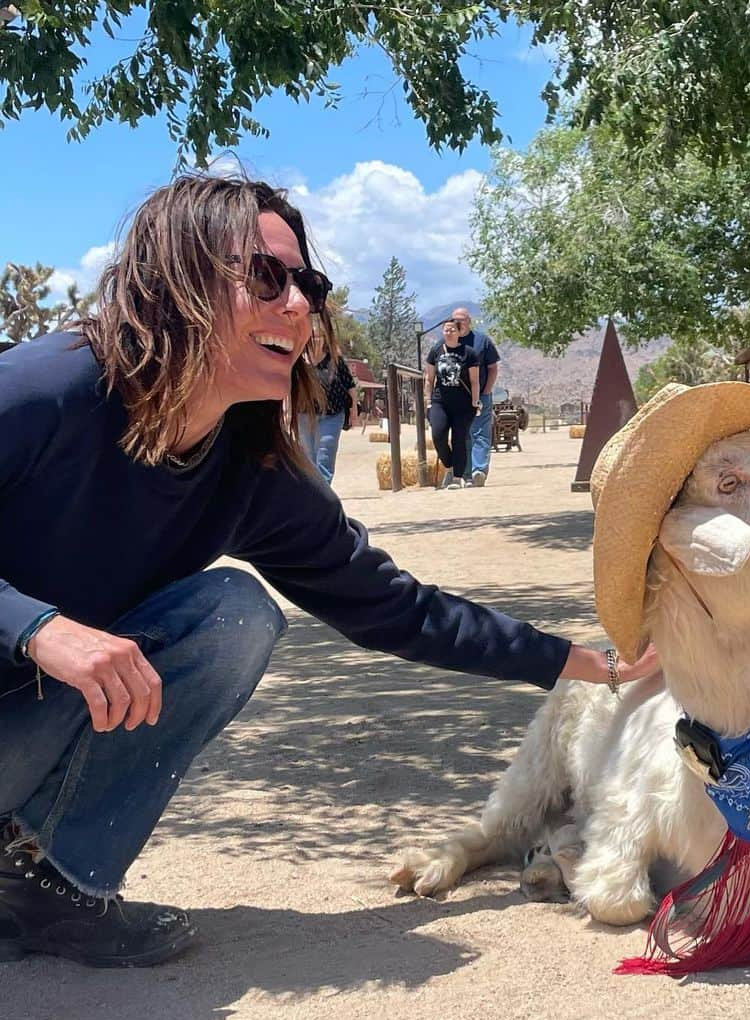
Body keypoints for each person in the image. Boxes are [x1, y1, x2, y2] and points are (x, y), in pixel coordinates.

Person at [0, 174, 658, 969]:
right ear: (175, 279)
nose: (299, 304)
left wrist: (580, 664)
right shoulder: (48, 389)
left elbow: (394, 607)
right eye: (267, 277)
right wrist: (34, 628)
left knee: (233, 614)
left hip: (22, 731)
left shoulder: (249, 465)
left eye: (308, 283)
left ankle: (50, 887)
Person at [424, 319, 481, 489]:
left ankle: (457, 478)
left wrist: (475, 401)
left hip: (463, 404)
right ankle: (448, 465)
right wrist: (428, 401)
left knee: (459, 439)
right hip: (440, 401)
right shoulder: (435, 351)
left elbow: (474, 381)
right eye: (446, 330)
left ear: (459, 332)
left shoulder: (469, 353)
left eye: (452, 330)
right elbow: (429, 379)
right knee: (438, 435)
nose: (449, 333)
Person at [299, 321, 358, 484]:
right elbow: (289, 387)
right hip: (304, 415)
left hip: (332, 415)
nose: (316, 340)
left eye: (319, 337)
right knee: (308, 459)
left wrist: (353, 413)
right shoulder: (298, 360)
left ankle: (322, 499)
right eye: (312, 337)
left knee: (325, 455)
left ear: (325, 339)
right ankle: (314, 496)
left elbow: (350, 386)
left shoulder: (336, 360)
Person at [453, 307, 499, 488]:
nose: (458, 323)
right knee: (462, 435)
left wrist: (487, 391)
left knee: (480, 433)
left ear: (469, 321)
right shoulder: (448, 343)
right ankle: (466, 474)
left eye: (462, 319)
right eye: (455, 319)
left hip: (480, 396)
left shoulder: (482, 341)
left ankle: (478, 470)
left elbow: (493, 368)